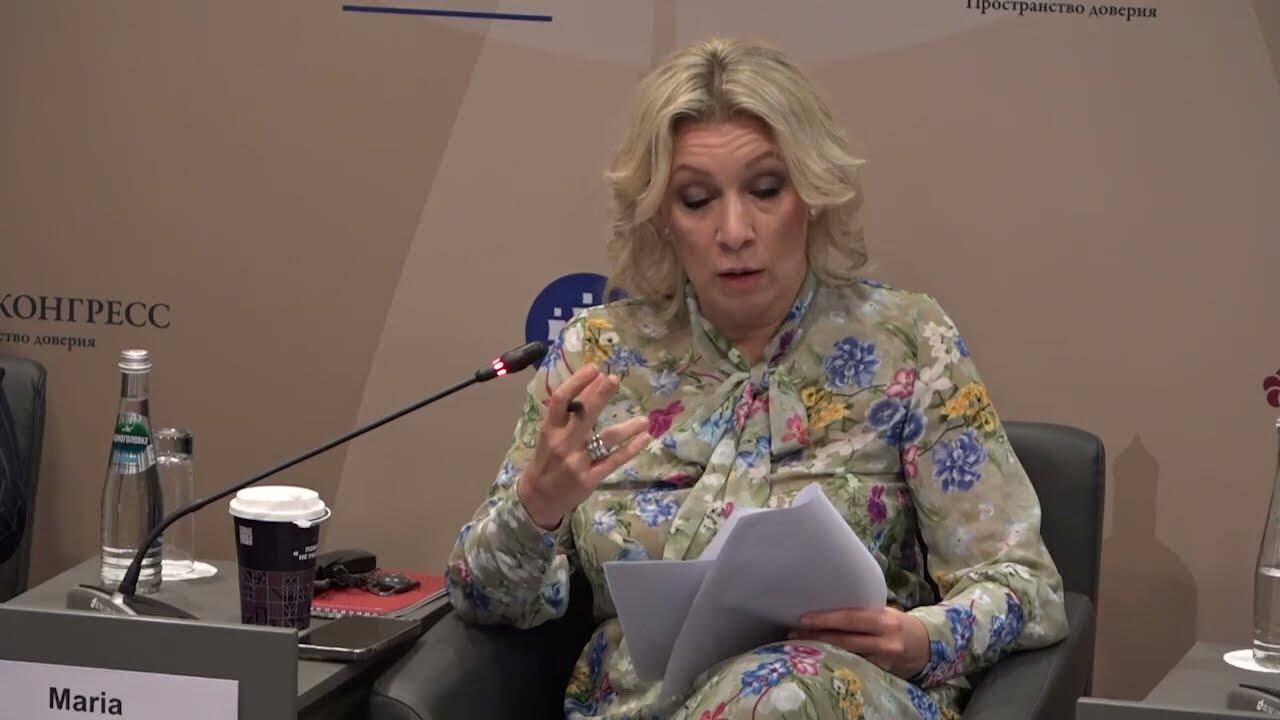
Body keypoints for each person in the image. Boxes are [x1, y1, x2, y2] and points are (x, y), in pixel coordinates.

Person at [445, 37, 1067, 719]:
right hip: (640, 708)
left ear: (812, 194)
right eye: (696, 199)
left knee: (780, 694)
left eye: (766, 190)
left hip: (843, 697)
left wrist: (921, 638)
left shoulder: (906, 342)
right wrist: (536, 506)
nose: (735, 230)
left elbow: (1027, 588)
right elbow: (483, 599)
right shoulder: (596, 355)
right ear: (661, 216)